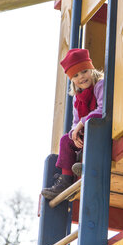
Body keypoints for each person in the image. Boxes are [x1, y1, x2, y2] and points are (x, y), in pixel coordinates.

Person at [41, 48, 104, 199]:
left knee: (85, 135)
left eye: (84, 71)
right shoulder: (77, 98)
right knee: (65, 140)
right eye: (76, 75)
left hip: (101, 129)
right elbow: (75, 123)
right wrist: (74, 134)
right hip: (86, 134)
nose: (81, 77)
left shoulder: (100, 85)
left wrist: (81, 125)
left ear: (91, 69)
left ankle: (81, 164)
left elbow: (103, 110)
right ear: (72, 80)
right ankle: (66, 179)